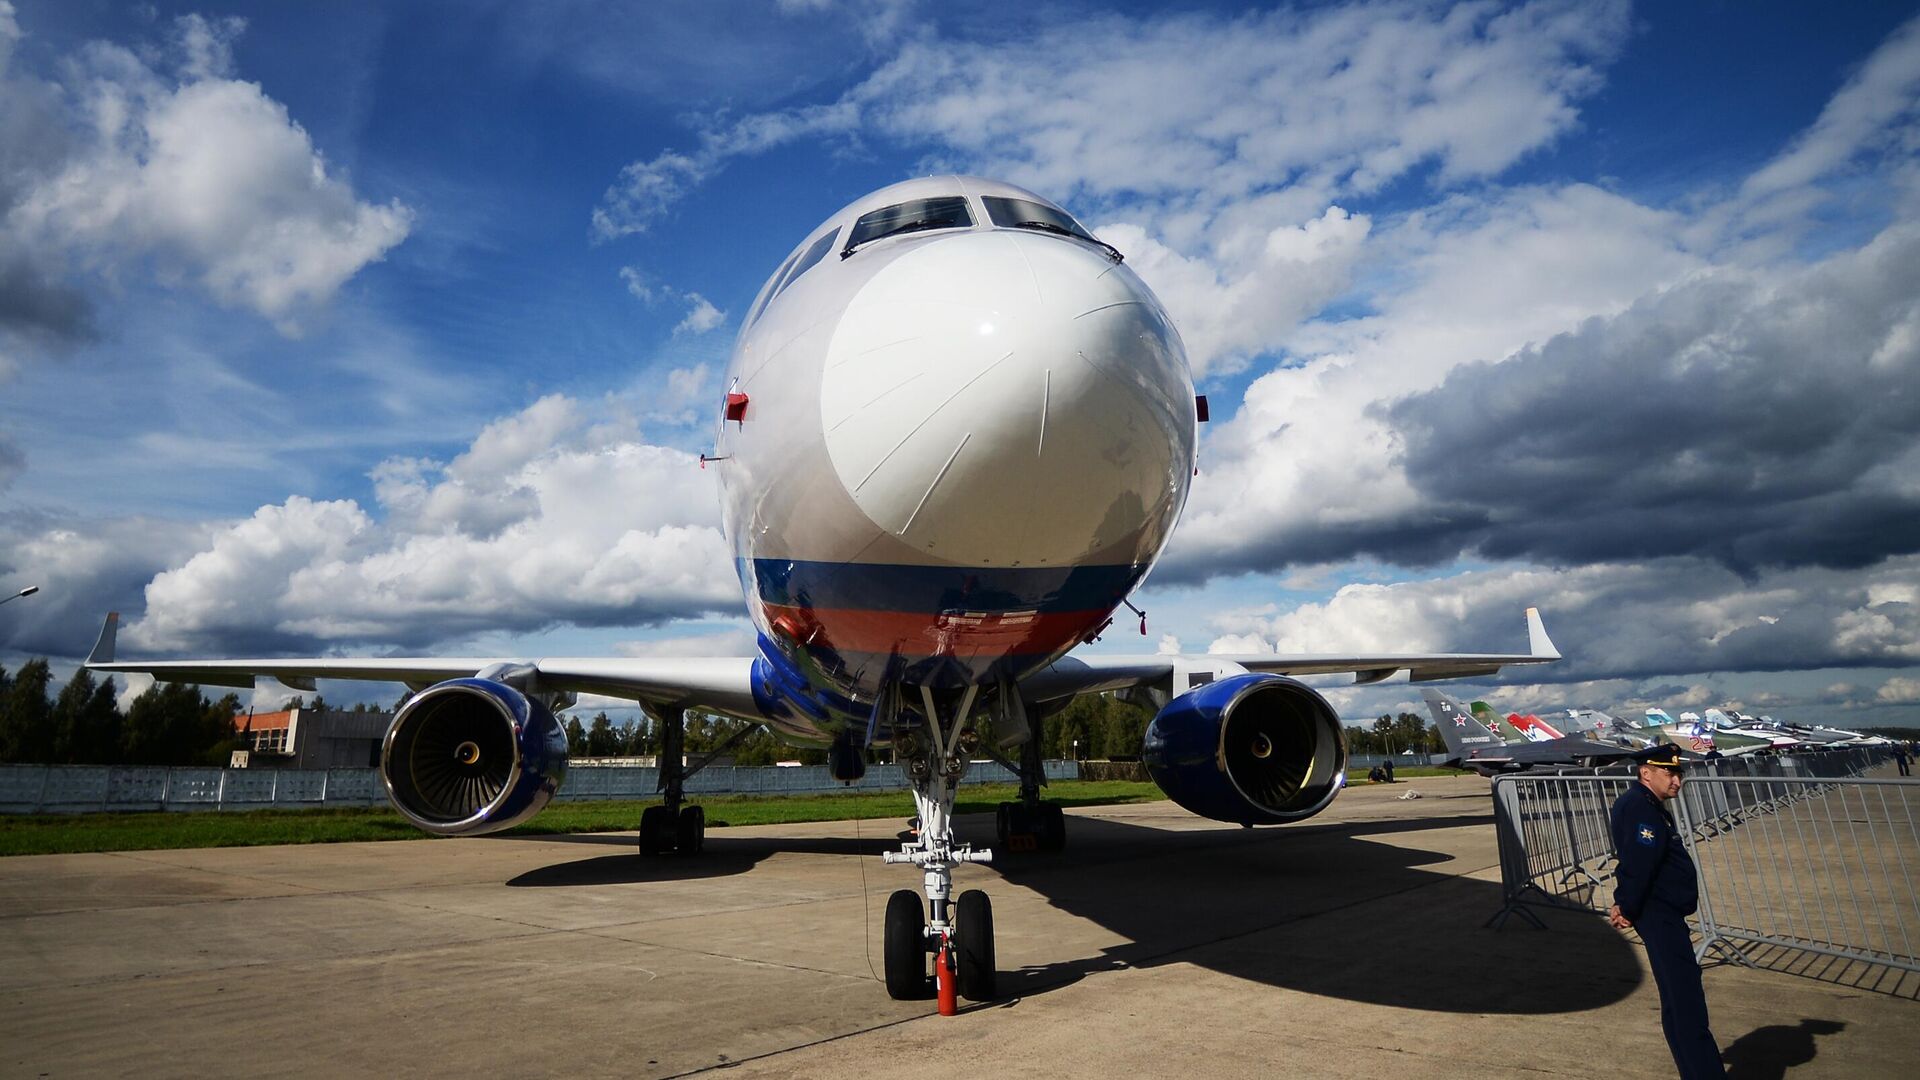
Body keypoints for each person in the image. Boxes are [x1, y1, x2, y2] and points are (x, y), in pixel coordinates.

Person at [1608, 745, 1725, 1078]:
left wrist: (1624, 902)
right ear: (1647, 773)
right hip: (1659, 915)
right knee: (1686, 1004)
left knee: (1679, 1003)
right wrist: (1627, 906)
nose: (1678, 781)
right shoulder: (1640, 808)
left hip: (1661, 912)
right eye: (1670, 774)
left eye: (1679, 774)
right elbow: (1639, 862)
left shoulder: (1647, 805)